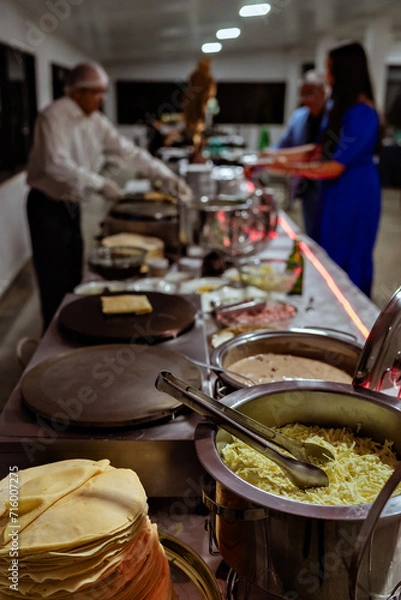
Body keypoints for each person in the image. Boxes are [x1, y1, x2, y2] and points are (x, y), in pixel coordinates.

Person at [26, 62, 191, 330]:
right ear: (76, 91)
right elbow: (55, 164)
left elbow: (128, 151)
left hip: (72, 203)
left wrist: (165, 175)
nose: (102, 98)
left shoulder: (95, 121)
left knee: (72, 273)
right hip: (47, 206)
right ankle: (52, 334)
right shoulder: (53, 116)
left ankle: (73, 324)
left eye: (104, 92)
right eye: (96, 92)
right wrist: (99, 183)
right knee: (52, 277)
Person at [267, 42, 381, 298]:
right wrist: (270, 158)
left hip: (354, 192)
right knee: (325, 247)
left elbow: (333, 167)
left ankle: (351, 314)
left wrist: (285, 168)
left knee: (347, 253)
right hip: (332, 191)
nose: (327, 75)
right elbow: (318, 150)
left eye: (330, 69)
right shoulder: (338, 108)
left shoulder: (363, 113)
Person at [264, 70, 329, 240]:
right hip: (306, 185)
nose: (306, 99)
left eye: (310, 93)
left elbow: (317, 151)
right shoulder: (299, 117)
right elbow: (283, 145)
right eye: (303, 95)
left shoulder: (333, 118)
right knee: (311, 233)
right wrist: (266, 156)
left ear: (323, 91)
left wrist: (281, 162)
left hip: (328, 186)